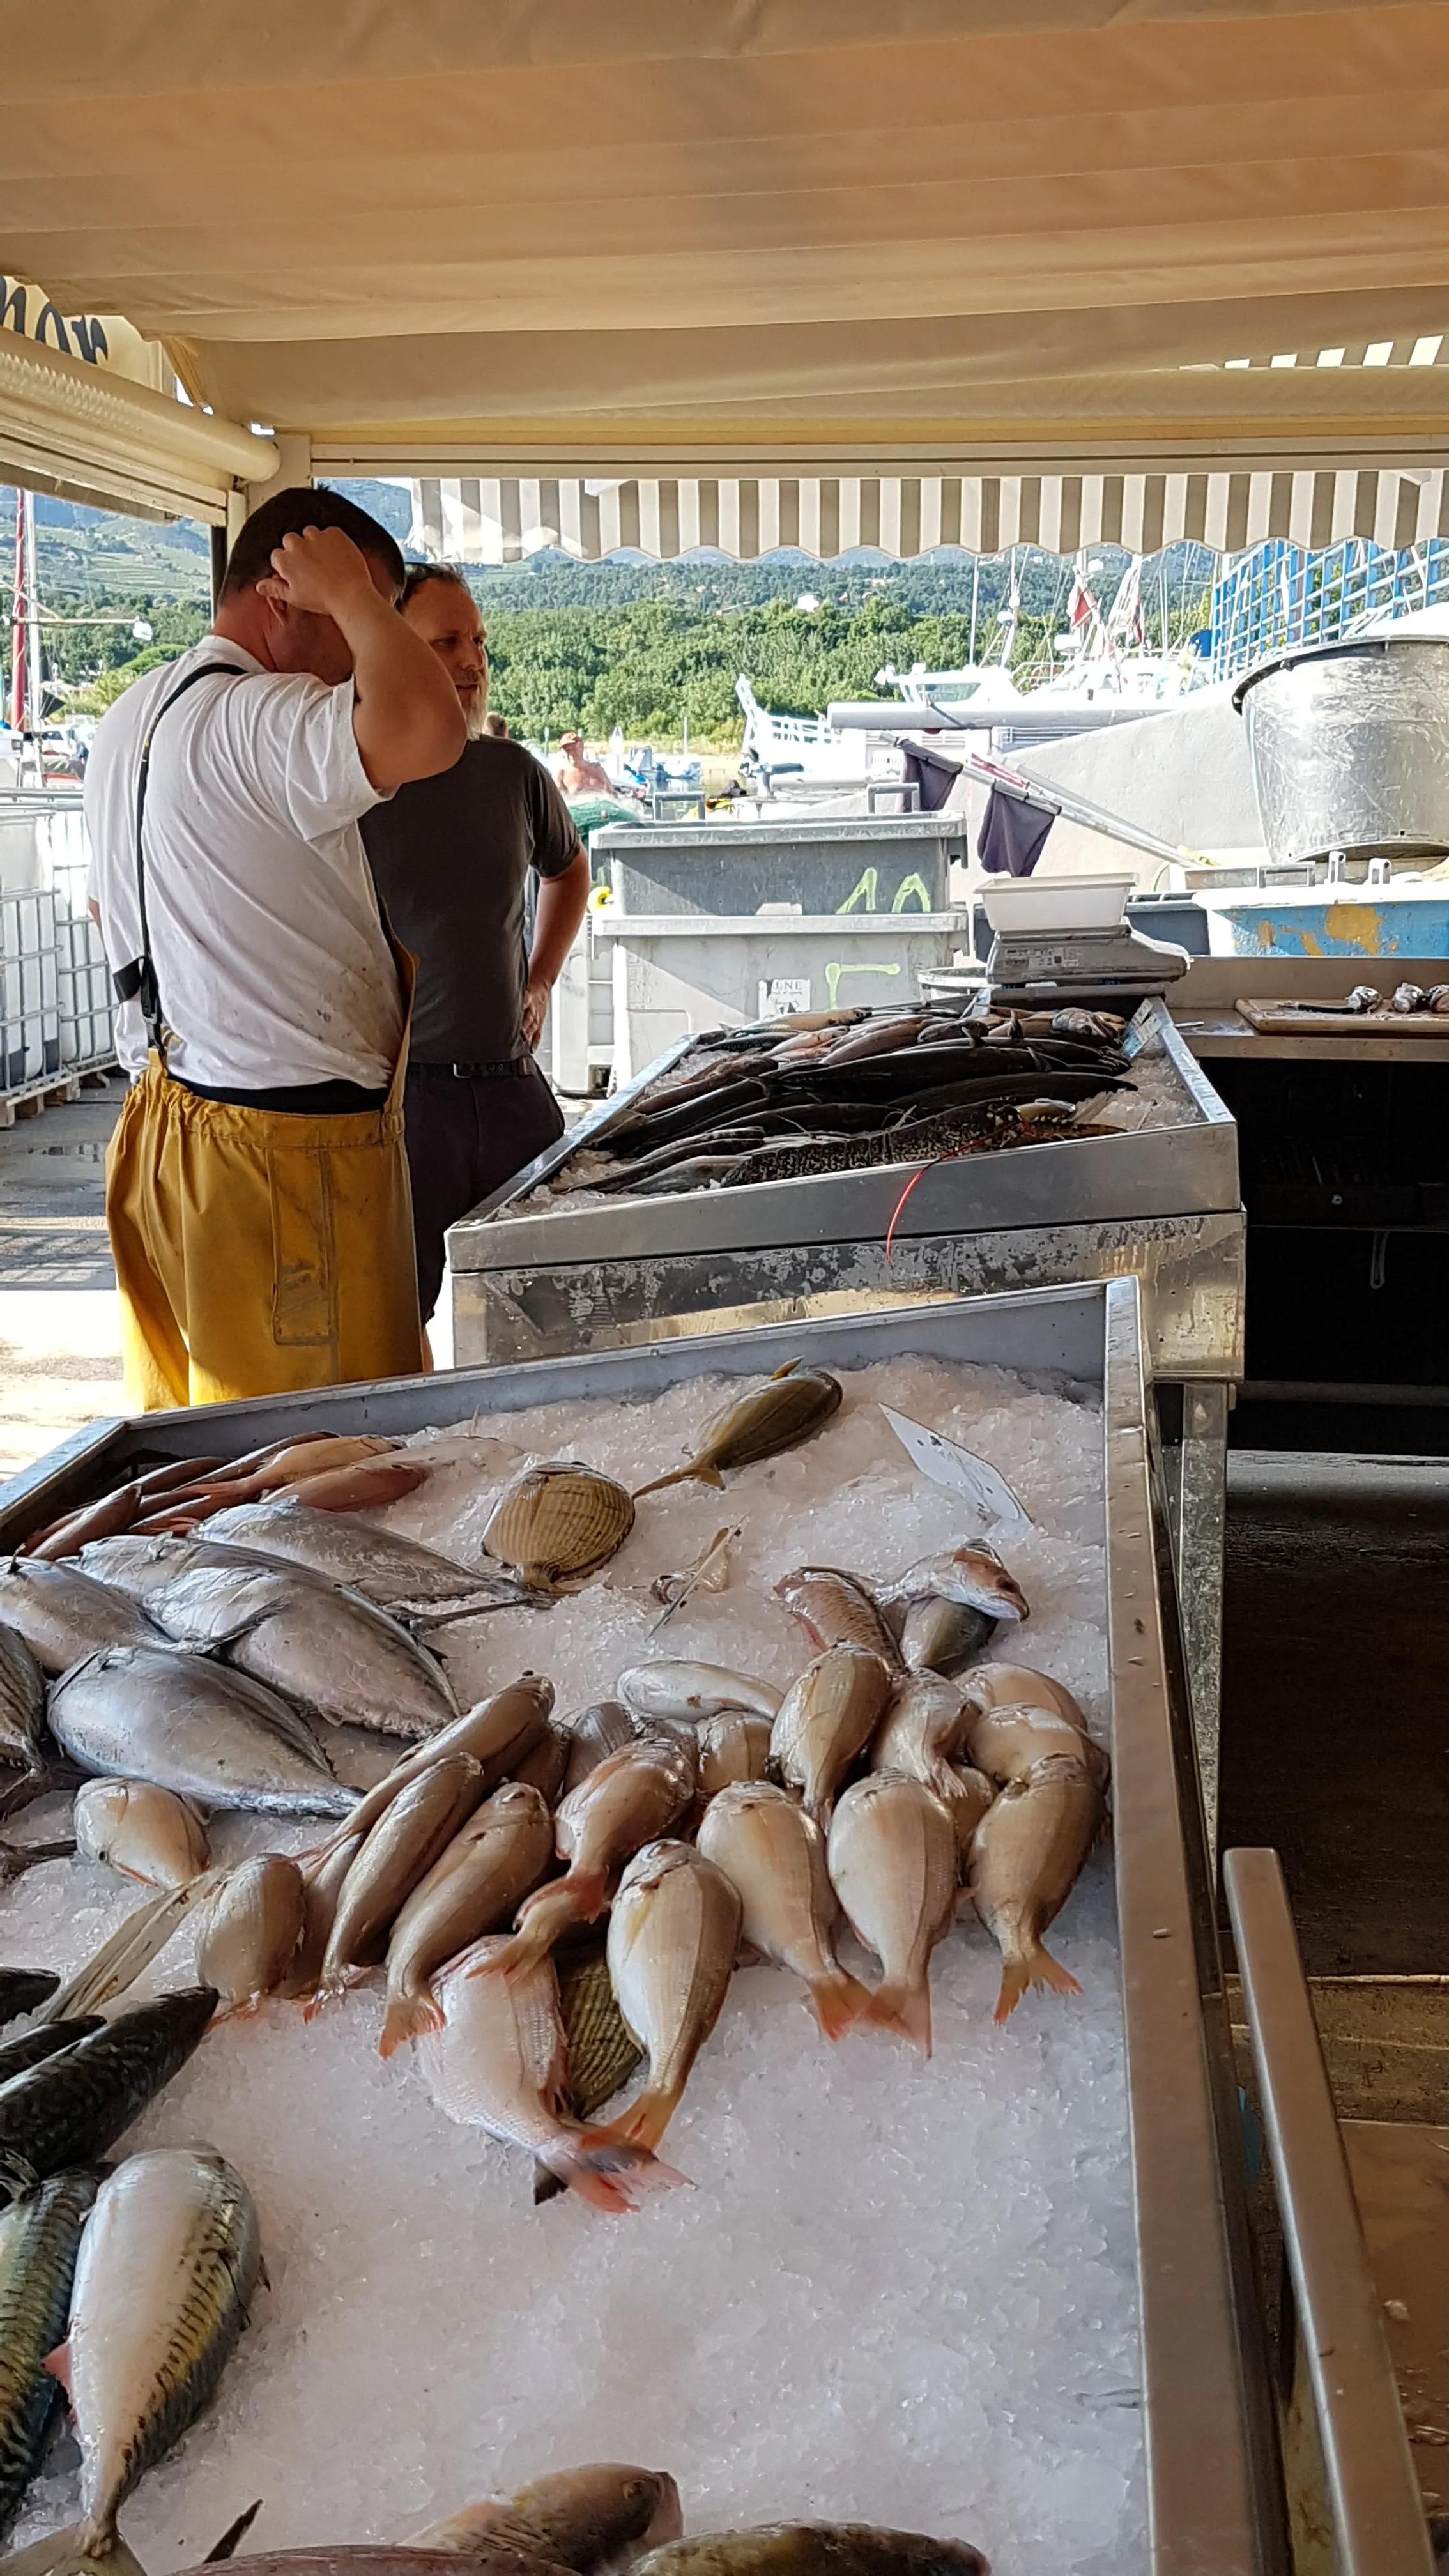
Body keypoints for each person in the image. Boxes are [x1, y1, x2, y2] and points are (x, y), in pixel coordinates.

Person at [86, 487, 466, 1410]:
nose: (356, 662)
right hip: (288, 1165)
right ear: (280, 595)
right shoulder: (256, 719)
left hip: (171, 1130)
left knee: (215, 1464)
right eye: (343, 615)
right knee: (332, 1472)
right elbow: (430, 727)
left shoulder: (134, 716)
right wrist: (358, 598)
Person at [360, 566, 591, 1323]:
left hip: (512, 1089)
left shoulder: (513, 773)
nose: (472, 661)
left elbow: (569, 868)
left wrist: (543, 978)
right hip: (405, 1105)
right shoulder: (357, 785)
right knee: (395, 1326)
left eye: (480, 642)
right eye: (448, 642)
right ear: (392, 652)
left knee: (557, 1309)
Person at [557, 730, 613, 797]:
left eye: (574, 748)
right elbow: (557, 802)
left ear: (581, 747)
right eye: (567, 750)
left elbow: (613, 794)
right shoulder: (562, 775)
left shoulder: (598, 770)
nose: (571, 753)